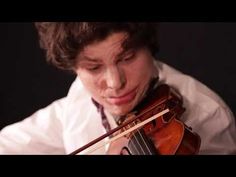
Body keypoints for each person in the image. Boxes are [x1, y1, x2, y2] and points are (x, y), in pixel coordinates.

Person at [0, 22, 235, 154]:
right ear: (74, 68)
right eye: (93, 68)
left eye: (128, 57)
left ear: (148, 47)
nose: (115, 84)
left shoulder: (209, 116)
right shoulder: (79, 100)